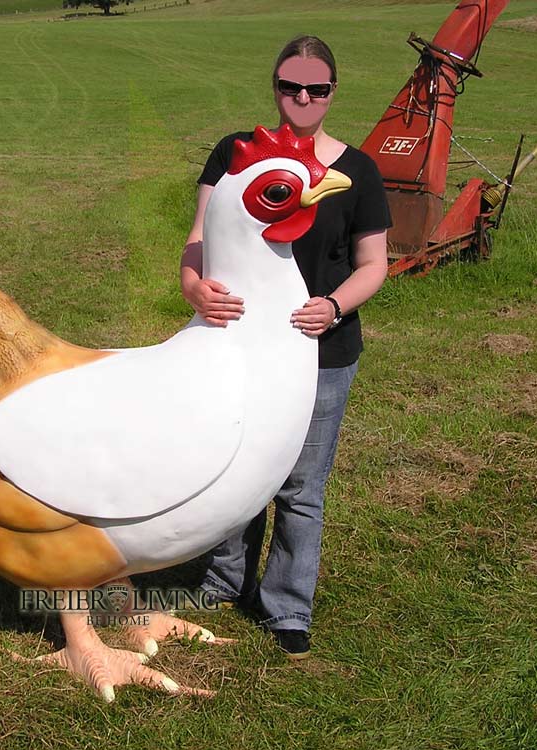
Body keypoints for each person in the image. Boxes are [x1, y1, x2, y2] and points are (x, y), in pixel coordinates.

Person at [180, 36, 392, 659]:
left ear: (332, 92)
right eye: (290, 85)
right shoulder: (236, 153)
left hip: (318, 351)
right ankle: (224, 581)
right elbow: (200, 237)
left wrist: (334, 306)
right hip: (239, 346)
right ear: (275, 86)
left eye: (316, 88)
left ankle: (288, 606)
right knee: (234, 467)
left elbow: (374, 263)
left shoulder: (357, 171)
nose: (302, 97)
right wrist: (193, 286)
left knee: (301, 486)